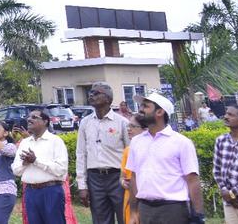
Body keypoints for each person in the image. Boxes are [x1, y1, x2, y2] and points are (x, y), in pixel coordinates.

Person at [126, 91, 204, 224]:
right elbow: (133, 177)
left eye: (146, 106)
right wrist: (133, 211)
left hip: (173, 210)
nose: (140, 110)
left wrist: (198, 215)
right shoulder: (136, 142)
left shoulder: (181, 142)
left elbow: (192, 180)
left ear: (160, 112)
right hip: (145, 209)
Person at [75, 82, 129, 224]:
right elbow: (81, 154)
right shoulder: (85, 123)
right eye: (91, 93)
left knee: (125, 217)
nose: (91, 95)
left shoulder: (122, 122)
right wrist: (82, 185)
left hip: (118, 178)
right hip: (95, 179)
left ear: (108, 98)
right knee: (100, 220)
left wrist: (130, 180)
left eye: (96, 93)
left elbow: (131, 154)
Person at [12, 108, 69, 224]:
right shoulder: (25, 142)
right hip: (31, 193)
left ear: (45, 121)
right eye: (28, 117)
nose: (29, 119)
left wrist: (36, 161)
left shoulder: (55, 141)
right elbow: (16, 170)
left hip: (51, 191)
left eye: (34, 117)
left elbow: (61, 170)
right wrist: (25, 163)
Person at [119, 113, 145, 224]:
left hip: (146, 201)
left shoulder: (151, 149)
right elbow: (122, 176)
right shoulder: (128, 150)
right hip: (130, 199)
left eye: (133, 126)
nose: (129, 129)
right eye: (128, 126)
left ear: (145, 129)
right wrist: (123, 183)